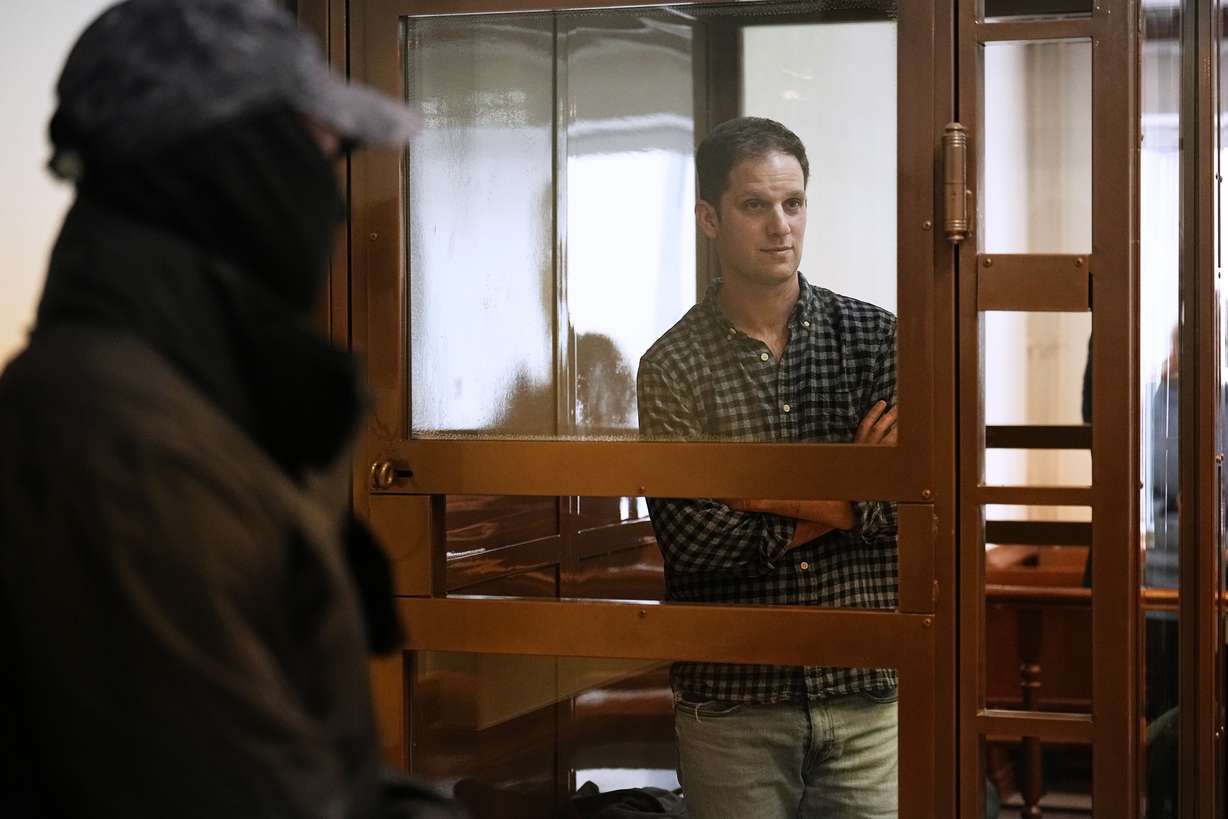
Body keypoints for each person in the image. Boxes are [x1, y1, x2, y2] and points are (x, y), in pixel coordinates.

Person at [0, 1, 461, 817]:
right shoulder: (127, 448)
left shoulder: (195, 400)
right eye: (318, 153)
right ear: (232, 170)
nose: (332, 199)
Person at [636, 117, 899, 819]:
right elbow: (695, 542)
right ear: (709, 219)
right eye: (755, 205)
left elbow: (907, 505)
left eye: (794, 203)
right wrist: (850, 493)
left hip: (865, 693)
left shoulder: (876, 337)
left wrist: (759, 496)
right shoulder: (672, 365)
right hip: (733, 701)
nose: (781, 226)